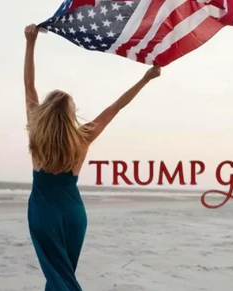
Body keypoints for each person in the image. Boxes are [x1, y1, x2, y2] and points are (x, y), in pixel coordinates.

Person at [23, 24, 161, 291]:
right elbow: (116, 106)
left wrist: (30, 43)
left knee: (58, 277)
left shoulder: (36, 132)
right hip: (74, 214)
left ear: (47, 113)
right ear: (70, 115)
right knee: (64, 276)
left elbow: (29, 85)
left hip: (43, 213)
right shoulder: (83, 137)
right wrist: (145, 79)